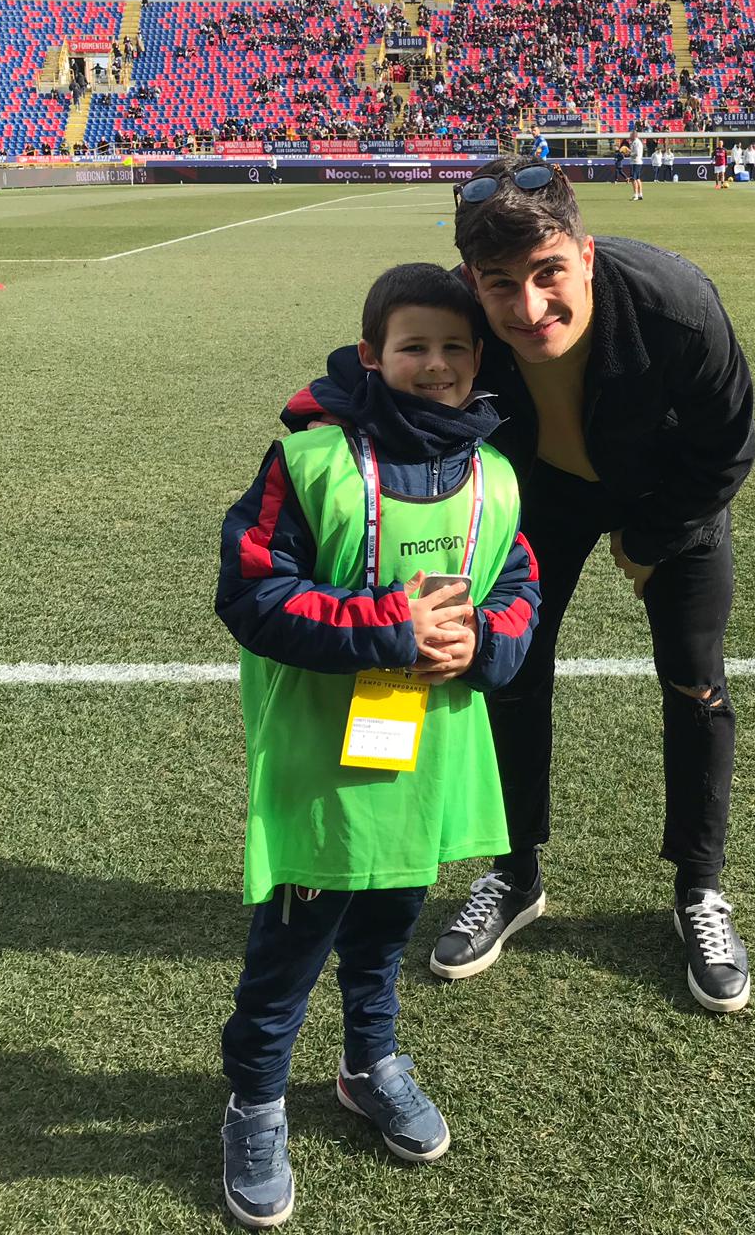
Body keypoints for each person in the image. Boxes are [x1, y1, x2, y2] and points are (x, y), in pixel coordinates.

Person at [285, 160, 755, 1015]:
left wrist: (651, 539)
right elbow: (382, 371)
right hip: (544, 499)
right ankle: (516, 874)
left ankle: (699, 887)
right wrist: (317, 417)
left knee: (696, 683)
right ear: (473, 280)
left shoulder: (677, 306)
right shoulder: (462, 317)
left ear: (586, 253)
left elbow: (727, 448)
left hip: (672, 499)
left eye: (549, 274)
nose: (529, 307)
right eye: (501, 283)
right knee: (510, 674)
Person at [215, 263, 541, 1228]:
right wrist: (390, 629)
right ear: (371, 355)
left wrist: (482, 642)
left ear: (479, 360)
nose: (435, 364)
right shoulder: (310, 462)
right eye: (413, 346)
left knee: (387, 932)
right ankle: (255, 1102)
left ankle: (370, 1064)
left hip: (423, 758)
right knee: (290, 951)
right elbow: (252, 593)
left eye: (453, 347)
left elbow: (517, 589)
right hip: (324, 765)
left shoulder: (494, 476)